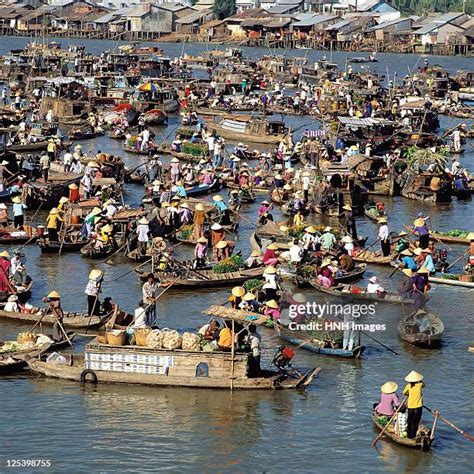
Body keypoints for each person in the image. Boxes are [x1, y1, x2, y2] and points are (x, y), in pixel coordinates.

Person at [403, 370, 425, 439]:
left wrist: (409, 394)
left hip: (411, 406)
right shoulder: (420, 385)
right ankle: (413, 436)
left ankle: (409, 436)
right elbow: (424, 384)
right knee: (415, 422)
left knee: (409, 421)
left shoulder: (408, 386)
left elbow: (404, 393)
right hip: (418, 406)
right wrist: (420, 380)